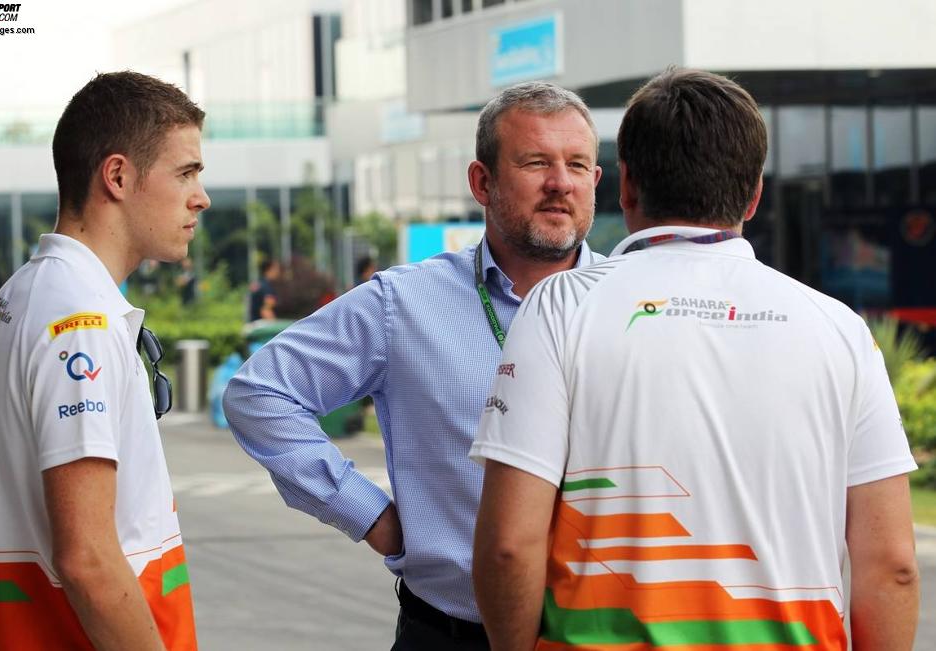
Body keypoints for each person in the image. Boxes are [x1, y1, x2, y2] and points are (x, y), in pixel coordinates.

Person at [471, 68, 919, 651]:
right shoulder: (840, 329)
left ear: (625, 186)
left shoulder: (558, 307)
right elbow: (893, 565)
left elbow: (509, 544)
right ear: (754, 194)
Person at [224, 81, 604, 649]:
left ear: (596, 181)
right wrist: (370, 514)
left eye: (577, 164)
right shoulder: (402, 304)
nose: (560, 183)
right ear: (482, 182)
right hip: (450, 633)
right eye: (535, 162)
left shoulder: (635, 305)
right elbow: (259, 394)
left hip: (606, 632)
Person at [0, 71, 210, 650]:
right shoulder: (80, 321)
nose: (200, 196)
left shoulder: (22, 295)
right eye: (185, 173)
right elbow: (87, 560)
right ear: (118, 176)